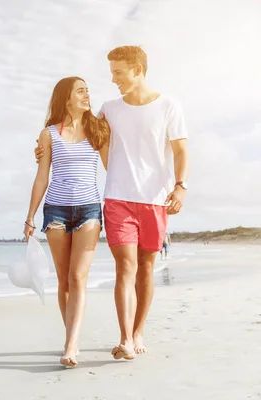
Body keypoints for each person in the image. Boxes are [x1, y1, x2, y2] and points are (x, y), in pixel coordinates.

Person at [34, 46, 189, 360]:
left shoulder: (169, 106)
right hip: (117, 197)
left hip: (155, 200)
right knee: (125, 267)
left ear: (137, 69)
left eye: (118, 72)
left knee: (145, 268)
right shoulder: (108, 109)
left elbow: (181, 151)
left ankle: (137, 331)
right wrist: (42, 149)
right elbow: (75, 128)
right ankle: (125, 340)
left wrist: (180, 187)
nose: (113, 79)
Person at [23, 77, 110, 367]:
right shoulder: (48, 134)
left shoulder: (98, 129)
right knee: (64, 281)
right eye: (81, 90)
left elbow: (113, 166)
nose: (87, 95)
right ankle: (70, 337)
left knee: (77, 278)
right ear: (66, 98)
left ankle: (71, 345)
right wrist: (30, 217)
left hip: (89, 211)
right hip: (56, 211)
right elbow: (41, 177)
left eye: (88, 91)